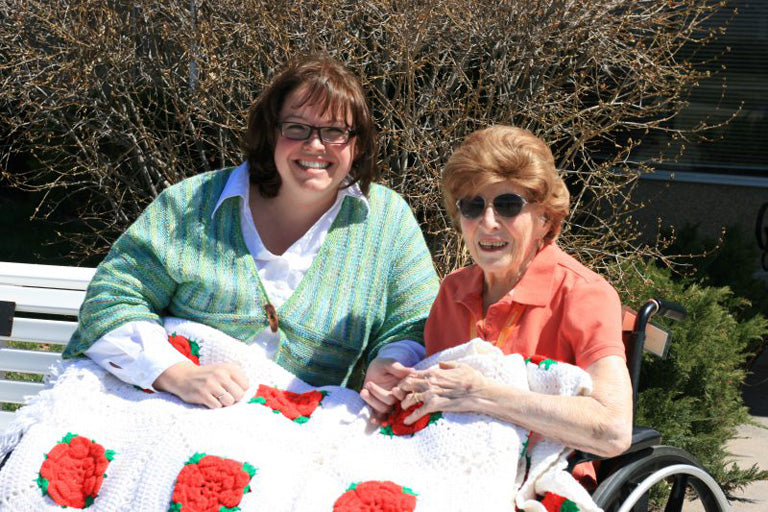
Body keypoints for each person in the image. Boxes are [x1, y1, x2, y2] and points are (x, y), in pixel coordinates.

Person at [62, 55, 439, 411]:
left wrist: (390, 361)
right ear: (271, 133)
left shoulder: (388, 221)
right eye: (297, 128)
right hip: (171, 411)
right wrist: (176, 375)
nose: (315, 145)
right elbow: (111, 299)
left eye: (335, 132)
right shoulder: (192, 204)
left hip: (300, 438)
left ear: (356, 144)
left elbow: (415, 321)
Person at [383, 125, 633, 460]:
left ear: (544, 218)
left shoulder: (584, 294)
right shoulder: (453, 290)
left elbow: (613, 429)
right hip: (446, 457)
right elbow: (438, 392)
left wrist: (481, 394)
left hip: (540, 475)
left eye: (508, 205)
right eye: (472, 206)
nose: (488, 222)